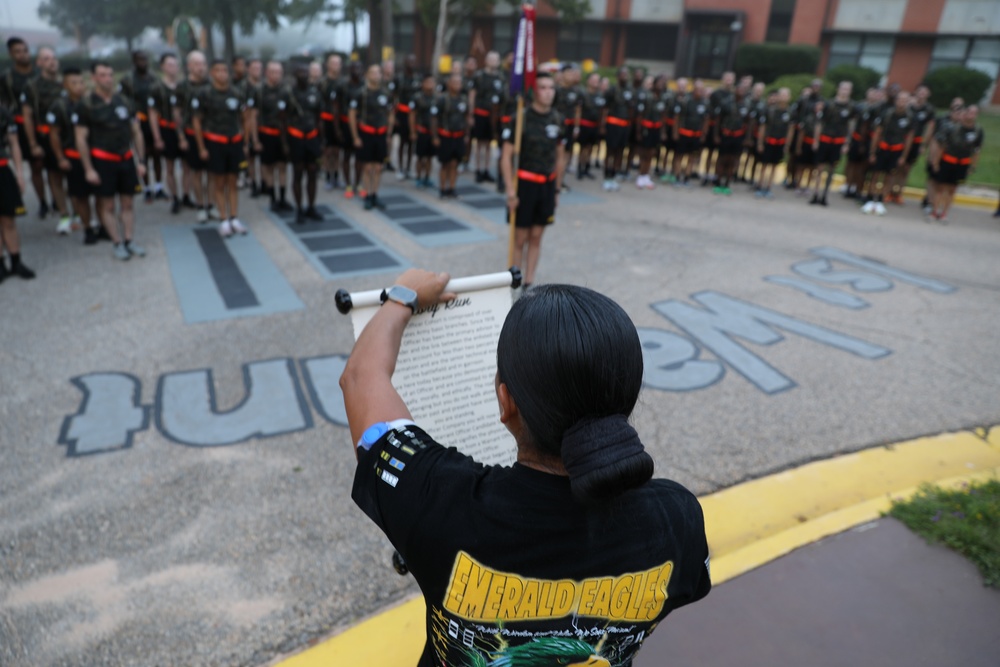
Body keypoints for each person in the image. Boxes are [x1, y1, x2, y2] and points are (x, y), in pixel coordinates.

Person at [341, 271, 712, 667]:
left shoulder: (438, 501)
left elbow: (361, 379)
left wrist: (401, 298)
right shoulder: (678, 520)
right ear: (627, 395)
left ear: (506, 402)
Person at [75, 61, 147, 261]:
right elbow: (80, 138)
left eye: (110, 74)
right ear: (94, 78)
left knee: (128, 203)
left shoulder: (125, 102)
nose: (108, 79)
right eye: (103, 75)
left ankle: (129, 240)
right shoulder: (87, 104)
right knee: (107, 205)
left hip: (126, 159)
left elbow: (136, 132)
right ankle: (116, 241)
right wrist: (89, 168)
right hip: (103, 160)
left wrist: (141, 160)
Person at [501, 73, 565, 288]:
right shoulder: (521, 118)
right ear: (534, 91)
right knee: (520, 239)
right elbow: (506, 157)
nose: (548, 92)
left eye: (551, 88)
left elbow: (560, 156)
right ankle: (515, 282)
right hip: (524, 186)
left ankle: (529, 283)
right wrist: (510, 191)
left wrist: (556, 190)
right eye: (543, 87)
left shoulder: (557, 119)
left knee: (537, 237)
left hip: (546, 185)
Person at [192, 59, 249, 237]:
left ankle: (234, 217)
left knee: (233, 182)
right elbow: (196, 121)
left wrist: (245, 143)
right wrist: (201, 147)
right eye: (218, 70)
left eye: (225, 70)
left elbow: (245, 118)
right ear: (212, 73)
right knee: (219, 182)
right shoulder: (204, 93)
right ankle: (223, 219)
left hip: (234, 142)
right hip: (214, 142)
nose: (222, 74)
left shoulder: (236, 93)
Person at [22, 46, 71, 233]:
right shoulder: (33, 86)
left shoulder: (65, 84)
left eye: (53, 58)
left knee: (73, 176)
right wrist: (33, 143)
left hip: (69, 137)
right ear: (39, 63)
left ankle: (76, 212)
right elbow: (27, 116)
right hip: (46, 136)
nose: (52, 62)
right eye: (47, 59)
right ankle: (63, 213)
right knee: (54, 176)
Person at [48, 66, 97, 244]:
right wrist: (60, 158)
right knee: (79, 193)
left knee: (100, 193)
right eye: (74, 83)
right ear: (65, 85)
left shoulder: (91, 102)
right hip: (72, 155)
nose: (79, 86)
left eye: (81, 82)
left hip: (95, 154)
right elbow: (54, 134)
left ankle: (100, 224)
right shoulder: (59, 106)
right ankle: (86, 225)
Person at [1, 38, 45, 217]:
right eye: (18, 51)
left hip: (42, 124)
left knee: (48, 164)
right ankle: (42, 201)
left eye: (25, 50)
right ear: (11, 54)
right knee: (34, 164)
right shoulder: (7, 78)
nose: (23, 54)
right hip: (18, 125)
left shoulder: (38, 73)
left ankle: (58, 202)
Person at [349, 63, 394, 211]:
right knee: (368, 167)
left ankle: (375, 194)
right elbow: (352, 115)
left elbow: (390, 113)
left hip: (381, 133)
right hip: (366, 133)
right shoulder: (361, 93)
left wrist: (389, 133)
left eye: (378, 73)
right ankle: (367, 194)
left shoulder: (385, 93)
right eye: (372, 73)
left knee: (379, 166)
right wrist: (355, 136)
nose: (376, 75)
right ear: (367, 75)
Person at [119, 50, 162, 203]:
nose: (142, 62)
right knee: (143, 154)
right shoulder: (128, 79)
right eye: (139, 59)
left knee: (157, 154)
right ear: (134, 61)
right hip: (138, 120)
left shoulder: (153, 77)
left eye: (144, 59)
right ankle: (147, 189)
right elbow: (122, 99)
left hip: (154, 120)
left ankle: (158, 186)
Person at [927, 104, 982, 223]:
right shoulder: (952, 128)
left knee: (952, 189)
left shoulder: (977, 131)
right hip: (947, 161)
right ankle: (934, 211)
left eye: (975, 113)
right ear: (965, 113)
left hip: (962, 164)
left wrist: (972, 166)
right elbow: (942, 146)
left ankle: (944, 213)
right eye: (970, 112)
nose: (972, 115)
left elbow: (976, 150)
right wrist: (936, 162)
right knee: (940, 188)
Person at [862, 90, 913, 216]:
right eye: (901, 99)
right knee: (875, 174)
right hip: (883, 148)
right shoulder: (887, 114)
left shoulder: (910, 117)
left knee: (889, 176)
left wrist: (903, 156)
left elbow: (909, 138)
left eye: (905, 100)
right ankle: (870, 198)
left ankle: (881, 199)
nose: (902, 103)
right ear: (896, 101)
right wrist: (872, 152)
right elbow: (877, 133)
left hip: (896, 150)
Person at [0, 100, 35, 281]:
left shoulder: (3, 111)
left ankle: (16, 261)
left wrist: (20, 174)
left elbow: (14, 144)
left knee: (8, 220)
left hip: (2, 169)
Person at [176, 50, 211, 222]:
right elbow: (177, 113)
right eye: (197, 64)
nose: (201, 68)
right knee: (196, 171)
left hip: (211, 134)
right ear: (189, 66)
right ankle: (200, 204)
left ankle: (211, 204)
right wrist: (181, 136)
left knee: (212, 172)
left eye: (203, 64)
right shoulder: (182, 87)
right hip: (191, 133)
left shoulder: (211, 84)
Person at [286, 64, 324, 223]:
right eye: (300, 72)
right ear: (295, 74)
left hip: (312, 137)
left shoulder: (315, 92)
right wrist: (285, 143)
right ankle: (299, 209)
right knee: (298, 173)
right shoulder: (289, 93)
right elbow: (283, 119)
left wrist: (321, 141)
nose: (303, 74)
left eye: (305, 72)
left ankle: (311, 207)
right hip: (295, 137)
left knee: (313, 172)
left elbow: (319, 117)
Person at [148, 53, 183, 214]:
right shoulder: (156, 88)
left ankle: (187, 195)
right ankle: (175, 196)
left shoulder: (183, 86)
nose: (172, 68)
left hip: (183, 129)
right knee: (169, 166)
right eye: (169, 65)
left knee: (187, 166)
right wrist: (157, 137)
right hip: (166, 128)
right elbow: (152, 114)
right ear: (162, 66)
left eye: (174, 64)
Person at [810, 81, 854, 206]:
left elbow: (850, 126)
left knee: (831, 169)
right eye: (843, 88)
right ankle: (816, 193)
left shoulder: (851, 107)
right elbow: (820, 123)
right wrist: (816, 140)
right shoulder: (828, 104)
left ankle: (825, 195)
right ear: (838, 89)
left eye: (847, 89)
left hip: (838, 141)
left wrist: (847, 143)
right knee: (819, 168)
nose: (844, 91)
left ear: (850, 91)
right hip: (825, 139)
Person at [432, 71, 471, 199]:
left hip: (459, 135)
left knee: (455, 163)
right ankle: (442, 189)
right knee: (445, 164)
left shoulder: (463, 99)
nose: (457, 85)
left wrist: (467, 134)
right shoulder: (442, 99)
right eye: (454, 82)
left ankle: (452, 188)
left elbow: (466, 118)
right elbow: (434, 118)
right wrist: (435, 136)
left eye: (459, 82)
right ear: (449, 84)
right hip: (445, 135)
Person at [892, 84, 934, 205]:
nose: (922, 94)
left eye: (925, 92)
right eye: (920, 92)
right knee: (896, 167)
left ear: (928, 95)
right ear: (916, 92)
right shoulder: (908, 106)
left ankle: (899, 193)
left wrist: (923, 145)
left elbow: (930, 128)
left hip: (915, 141)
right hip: (901, 140)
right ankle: (889, 192)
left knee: (906, 168)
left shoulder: (928, 109)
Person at [470, 51, 503, 183]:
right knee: (479, 143)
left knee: (490, 143)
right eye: (491, 59)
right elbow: (472, 95)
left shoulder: (500, 77)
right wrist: (471, 114)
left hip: (494, 115)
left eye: (496, 59)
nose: (493, 62)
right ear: (486, 60)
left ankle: (486, 170)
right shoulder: (479, 76)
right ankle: (478, 169)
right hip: (480, 113)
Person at [755, 87, 794, 199]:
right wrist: (760, 143)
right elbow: (763, 127)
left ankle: (768, 187)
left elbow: (790, 130)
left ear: (789, 97)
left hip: (780, 142)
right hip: (769, 141)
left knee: (774, 165)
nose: (783, 97)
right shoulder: (770, 110)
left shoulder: (790, 112)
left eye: (786, 95)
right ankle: (760, 186)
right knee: (764, 164)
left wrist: (787, 144)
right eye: (781, 95)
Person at [713, 79, 749, 196]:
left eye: (743, 90)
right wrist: (716, 135)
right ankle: (718, 182)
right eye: (739, 89)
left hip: (738, 136)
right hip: (726, 135)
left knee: (733, 160)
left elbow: (749, 123)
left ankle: (727, 183)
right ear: (735, 90)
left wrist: (747, 138)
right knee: (722, 159)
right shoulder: (726, 102)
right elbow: (718, 120)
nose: (741, 92)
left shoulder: (746, 104)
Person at [600, 67, 634, 191]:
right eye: (623, 75)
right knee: (610, 151)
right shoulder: (612, 90)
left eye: (627, 75)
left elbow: (631, 109)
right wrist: (603, 125)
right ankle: (606, 176)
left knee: (620, 152)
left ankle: (614, 175)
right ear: (618, 76)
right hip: (613, 124)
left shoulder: (630, 91)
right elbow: (604, 108)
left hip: (624, 126)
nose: (625, 77)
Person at [672, 78, 709, 188]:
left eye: (702, 90)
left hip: (696, 135)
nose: (700, 92)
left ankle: (687, 178)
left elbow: (706, 120)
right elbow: (677, 118)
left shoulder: (705, 103)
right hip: (684, 133)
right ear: (694, 89)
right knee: (679, 156)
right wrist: (675, 132)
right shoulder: (685, 101)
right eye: (698, 89)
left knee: (691, 157)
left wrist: (703, 134)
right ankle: (677, 177)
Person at [393, 54, 422, 180]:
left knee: (411, 142)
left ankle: (408, 168)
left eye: (414, 61)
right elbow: (393, 97)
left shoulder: (418, 78)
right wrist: (394, 116)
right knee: (402, 142)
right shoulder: (399, 78)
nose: (412, 64)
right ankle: (400, 167)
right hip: (402, 113)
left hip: (415, 114)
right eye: (409, 61)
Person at [633, 74, 663, 190]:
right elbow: (640, 115)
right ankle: (640, 176)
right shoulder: (646, 96)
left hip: (656, 129)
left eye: (662, 83)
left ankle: (646, 176)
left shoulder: (662, 98)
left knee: (651, 153)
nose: (660, 85)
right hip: (646, 128)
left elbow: (663, 116)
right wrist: (639, 131)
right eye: (658, 83)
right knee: (644, 153)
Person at [320, 53, 344, 190]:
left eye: (338, 63)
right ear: (328, 65)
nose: (335, 66)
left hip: (339, 121)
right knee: (328, 151)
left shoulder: (343, 83)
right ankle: (328, 176)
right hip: (326, 120)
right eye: (333, 63)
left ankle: (336, 175)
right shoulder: (322, 83)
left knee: (337, 151)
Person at [411, 74, 437, 190]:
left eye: (432, 82)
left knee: (430, 157)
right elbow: (412, 115)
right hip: (421, 130)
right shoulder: (417, 97)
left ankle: (427, 177)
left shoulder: (437, 97)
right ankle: (418, 177)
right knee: (420, 156)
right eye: (428, 82)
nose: (430, 85)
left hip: (432, 132)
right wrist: (413, 131)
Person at [575, 72, 602, 180]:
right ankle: (580, 169)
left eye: (597, 80)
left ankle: (586, 168)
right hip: (584, 124)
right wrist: (577, 126)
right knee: (583, 148)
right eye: (593, 80)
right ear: (588, 81)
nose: (596, 82)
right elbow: (578, 110)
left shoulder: (600, 95)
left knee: (591, 148)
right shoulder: (582, 93)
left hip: (595, 125)